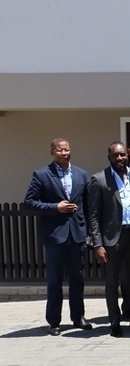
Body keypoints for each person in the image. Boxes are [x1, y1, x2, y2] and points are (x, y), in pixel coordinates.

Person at [24, 138, 92, 336]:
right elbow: (29, 202)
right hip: (55, 236)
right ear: (52, 152)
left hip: (77, 234)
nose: (64, 153)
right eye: (60, 150)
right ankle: (54, 321)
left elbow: (87, 205)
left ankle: (78, 317)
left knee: (77, 279)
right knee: (54, 280)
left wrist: (89, 232)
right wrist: (56, 208)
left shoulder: (81, 174)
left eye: (67, 149)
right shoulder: (42, 174)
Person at [88, 142, 130, 337]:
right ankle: (114, 321)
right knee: (112, 282)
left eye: (123, 155)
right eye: (116, 155)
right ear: (109, 157)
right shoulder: (99, 179)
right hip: (111, 239)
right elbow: (94, 216)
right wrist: (98, 244)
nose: (120, 158)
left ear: (127, 155)